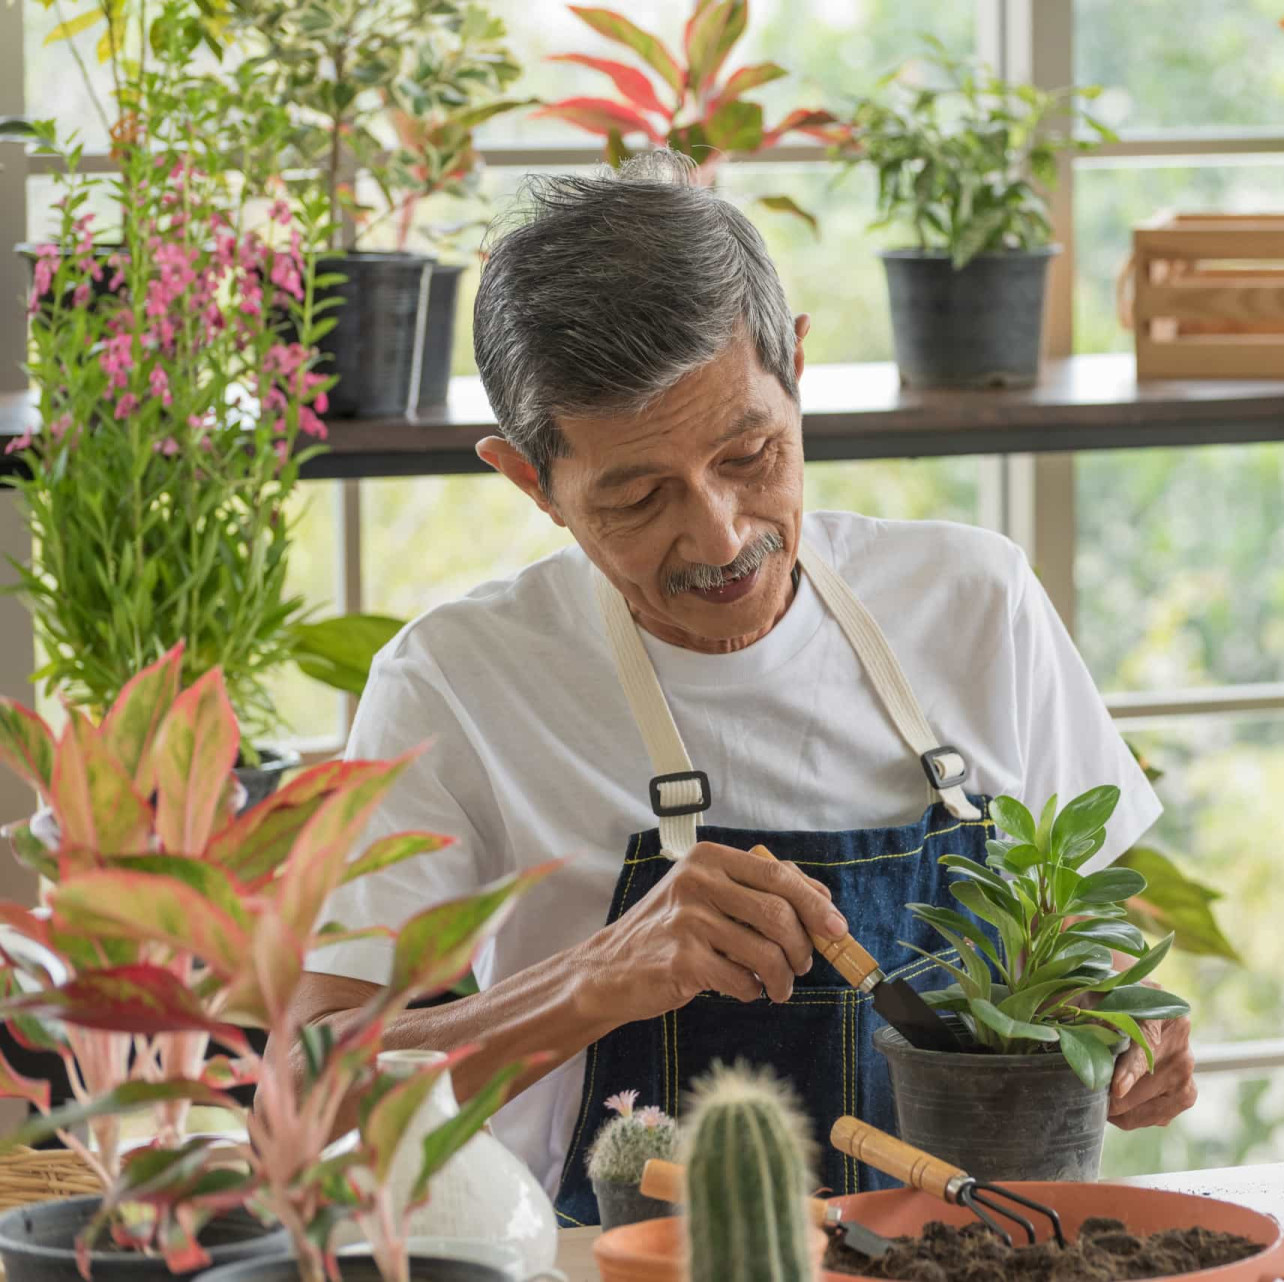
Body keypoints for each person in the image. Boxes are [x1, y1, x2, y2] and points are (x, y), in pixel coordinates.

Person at [289, 155, 1196, 1223]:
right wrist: (596, 976)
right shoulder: (454, 682)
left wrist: (1131, 1028)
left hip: (979, 1251)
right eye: (635, 496)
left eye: (750, 452)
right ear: (531, 482)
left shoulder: (973, 600)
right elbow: (308, 1097)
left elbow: (1101, 934)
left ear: (798, 366)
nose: (720, 535)